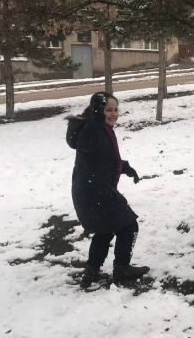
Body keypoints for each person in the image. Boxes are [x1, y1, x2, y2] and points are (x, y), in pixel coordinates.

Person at [66, 92, 150, 288]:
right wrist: (95, 119)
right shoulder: (92, 129)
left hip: (91, 191)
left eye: (115, 109)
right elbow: (87, 144)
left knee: (105, 231)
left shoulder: (101, 128)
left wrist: (126, 168)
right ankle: (121, 268)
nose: (113, 114)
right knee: (129, 226)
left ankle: (92, 271)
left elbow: (104, 158)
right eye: (107, 110)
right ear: (97, 111)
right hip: (96, 192)